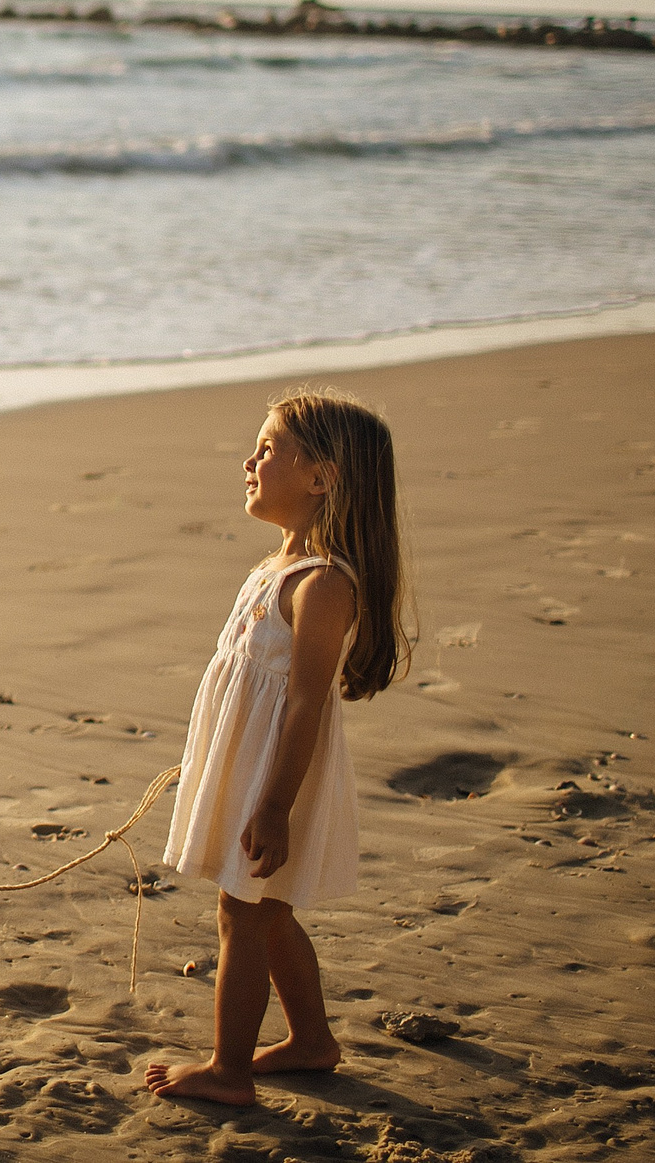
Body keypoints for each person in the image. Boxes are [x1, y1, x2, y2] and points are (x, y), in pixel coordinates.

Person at [144, 387, 411, 1104]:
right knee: (270, 909)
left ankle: (229, 1069)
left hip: (276, 776)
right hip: (250, 763)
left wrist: (273, 805)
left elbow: (306, 703)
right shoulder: (275, 567)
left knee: (244, 912)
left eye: (268, 449)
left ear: (321, 477)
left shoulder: (322, 583)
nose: (250, 461)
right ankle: (313, 1038)